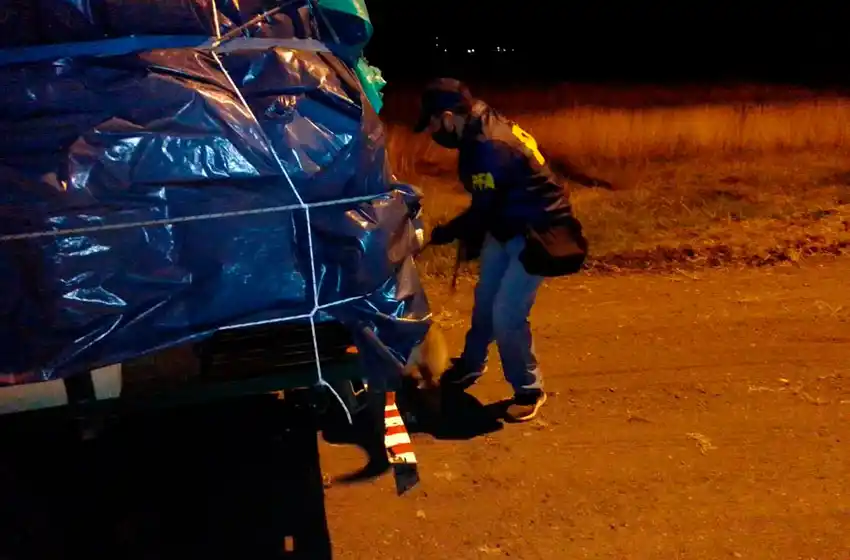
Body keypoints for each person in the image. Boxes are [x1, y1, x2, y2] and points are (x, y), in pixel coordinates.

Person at [415, 78, 612, 422]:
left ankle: (529, 389)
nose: (432, 132)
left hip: (537, 230)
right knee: (486, 301)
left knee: (506, 314)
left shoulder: (488, 144)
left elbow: (483, 209)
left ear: (448, 117)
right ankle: (471, 366)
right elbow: (489, 202)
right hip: (507, 224)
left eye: (432, 123)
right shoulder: (479, 121)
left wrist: (447, 232)